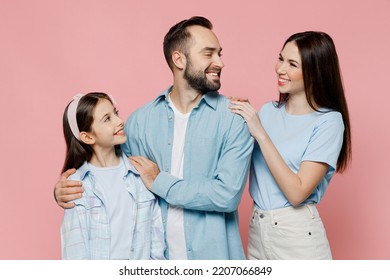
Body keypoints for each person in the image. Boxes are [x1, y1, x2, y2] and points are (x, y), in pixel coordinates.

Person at [55, 17, 253, 260]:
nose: (220, 62)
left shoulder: (235, 117)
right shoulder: (140, 121)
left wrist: (160, 181)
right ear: (179, 59)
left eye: (220, 53)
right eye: (209, 54)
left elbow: (227, 195)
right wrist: (68, 189)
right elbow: (113, 172)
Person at [229, 31, 352, 260]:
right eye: (281, 59)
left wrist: (260, 133)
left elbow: (297, 192)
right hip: (258, 229)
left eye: (292, 64)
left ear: (315, 72)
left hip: (297, 235)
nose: (280, 69)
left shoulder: (329, 122)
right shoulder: (267, 111)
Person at [60, 92, 165, 260]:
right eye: (107, 119)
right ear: (87, 137)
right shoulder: (77, 186)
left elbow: (156, 241)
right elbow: (75, 253)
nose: (120, 121)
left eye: (116, 113)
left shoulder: (140, 174)